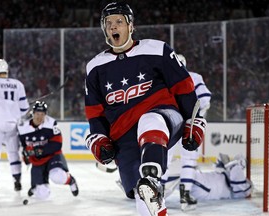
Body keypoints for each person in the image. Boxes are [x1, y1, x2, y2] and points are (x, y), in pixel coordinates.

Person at [84, 2, 207, 216]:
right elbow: (95, 112)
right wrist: (100, 138)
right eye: (109, 23)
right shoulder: (95, 67)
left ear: (131, 26)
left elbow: (184, 88)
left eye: (119, 22)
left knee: (149, 120)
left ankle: (152, 177)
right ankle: (152, 189)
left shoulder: (157, 49)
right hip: (124, 135)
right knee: (142, 196)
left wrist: (193, 120)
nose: (113, 27)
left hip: (164, 117)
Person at [161, 54, 212, 211]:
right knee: (188, 159)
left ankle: (158, 194)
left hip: (169, 123)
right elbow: (205, 100)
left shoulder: (163, 79)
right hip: (189, 125)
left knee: (164, 158)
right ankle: (185, 195)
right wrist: (196, 118)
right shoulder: (194, 77)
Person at [17, 101, 79, 200]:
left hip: (53, 156)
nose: (40, 117)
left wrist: (39, 151)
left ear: (45, 114)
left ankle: (70, 180)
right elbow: (23, 147)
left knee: (57, 177)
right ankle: (37, 187)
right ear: (33, 113)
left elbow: (57, 145)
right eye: (37, 114)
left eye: (42, 114)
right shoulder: (23, 128)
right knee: (42, 195)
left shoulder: (51, 123)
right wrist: (26, 156)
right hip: (37, 162)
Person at [0, 59, 29, 192]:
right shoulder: (18, 84)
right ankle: (17, 181)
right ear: (7, 70)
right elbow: (24, 108)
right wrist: (13, 111)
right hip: (13, 123)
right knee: (13, 153)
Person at [162, 153, 253, 201]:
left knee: (180, 171)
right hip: (204, 184)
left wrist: (234, 163)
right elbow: (225, 168)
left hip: (205, 187)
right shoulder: (234, 176)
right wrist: (223, 163)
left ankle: (156, 187)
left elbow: (236, 175)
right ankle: (158, 187)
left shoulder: (245, 187)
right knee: (179, 170)